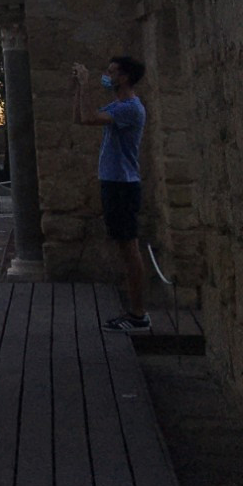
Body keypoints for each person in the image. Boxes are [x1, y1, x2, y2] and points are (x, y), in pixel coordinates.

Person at [72, 56, 149, 330]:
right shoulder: (118, 105)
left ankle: (138, 314)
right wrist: (80, 89)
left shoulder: (130, 108)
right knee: (124, 247)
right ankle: (135, 311)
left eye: (112, 71)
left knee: (130, 249)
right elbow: (81, 117)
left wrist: (86, 84)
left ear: (125, 77)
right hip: (113, 182)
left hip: (123, 184)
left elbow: (91, 117)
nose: (107, 75)